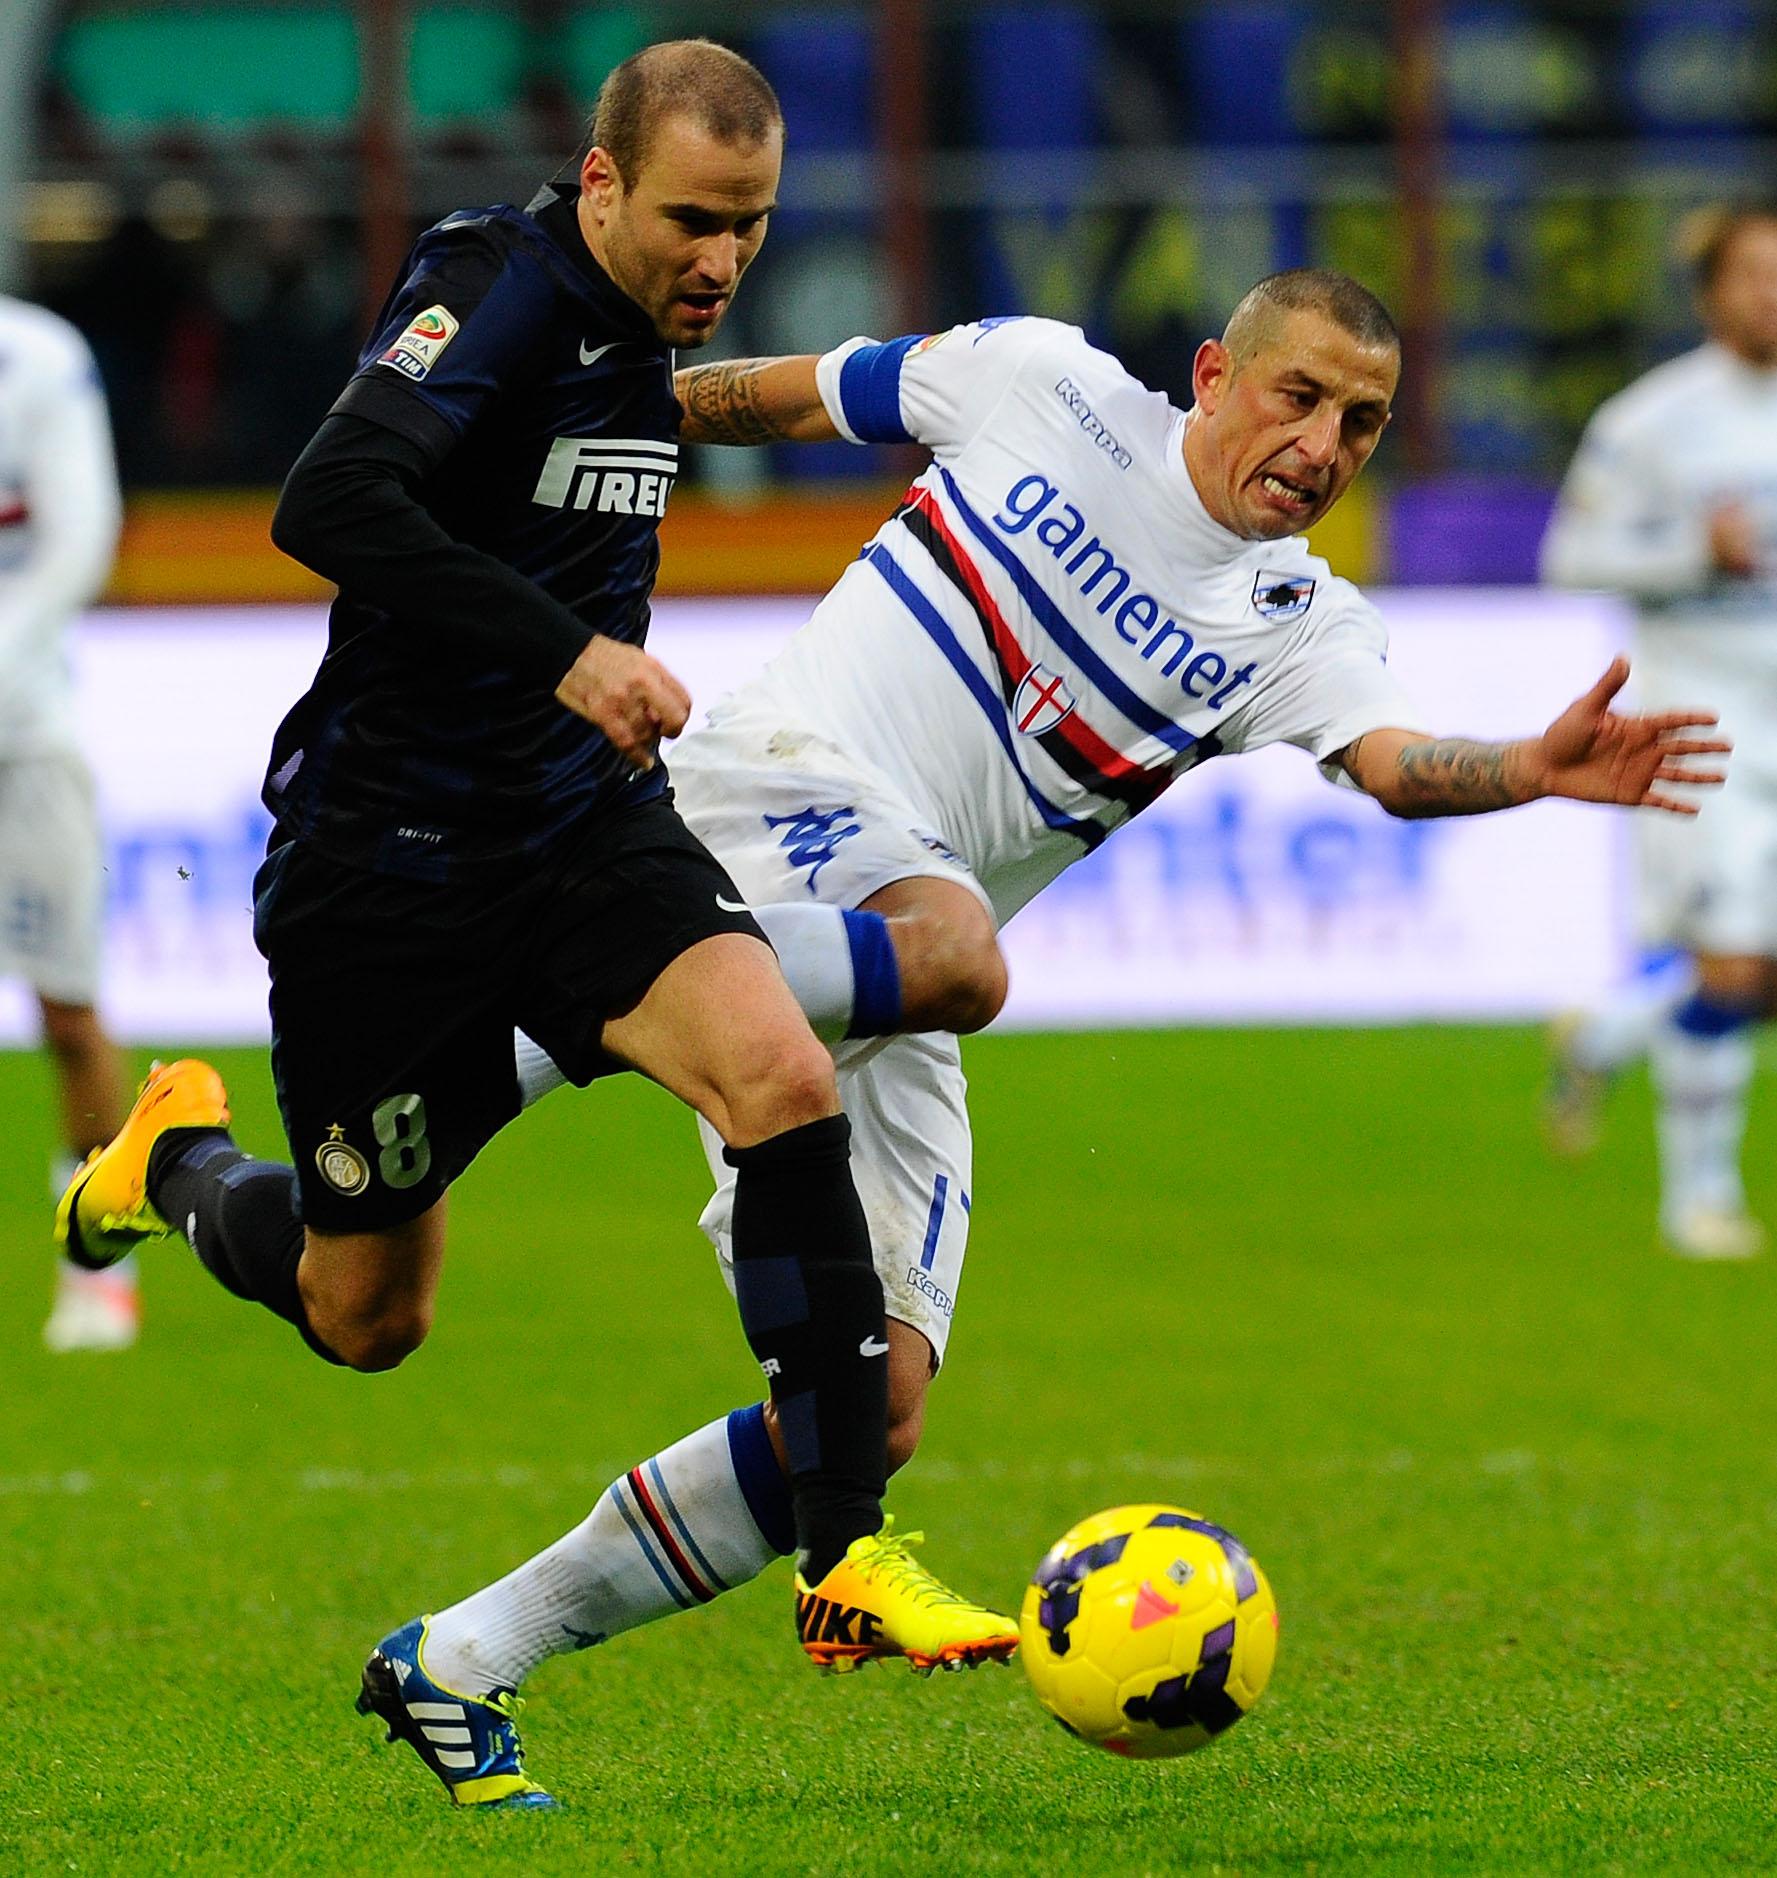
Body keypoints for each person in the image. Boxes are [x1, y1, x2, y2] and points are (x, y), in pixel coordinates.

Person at [413, 270, 1726, 1808]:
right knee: (962, 951)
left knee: (871, 1401)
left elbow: (1387, 759)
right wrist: (579, 413)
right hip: (778, 792)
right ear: (1214, 372)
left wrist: (1524, 764)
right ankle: (561, 988)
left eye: (1362, 422)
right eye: (1298, 397)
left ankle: (455, 1645)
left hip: (882, 956)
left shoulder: (1299, 623)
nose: (1323, 442)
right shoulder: (1038, 383)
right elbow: (773, 392)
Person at [54, 39, 1015, 1812]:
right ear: (599, 185)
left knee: (782, 1073)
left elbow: (714, 403)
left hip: (581, 833)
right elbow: (327, 502)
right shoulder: (492, 286)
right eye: (690, 220)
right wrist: (566, 650)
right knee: (367, 1316)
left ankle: (845, 1548)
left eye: (751, 224)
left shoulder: (655, 331)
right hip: (383, 873)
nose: (719, 258)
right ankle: (174, 1163)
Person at [1542, 202, 1777, 1259]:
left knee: (1756, 972)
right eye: (1751, 274)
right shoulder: (1650, 421)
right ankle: (1699, 1202)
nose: (1769, 292)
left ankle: (1601, 1032)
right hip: (1702, 726)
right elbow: (1570, 557)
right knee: (1731, 966)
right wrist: (1692, 552)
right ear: (1708, 292)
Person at [0, 293, 133, 1353]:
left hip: (21, 735)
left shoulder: (37, 356)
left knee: (70, 1014)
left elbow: (79, 537)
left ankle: (99, 1270)